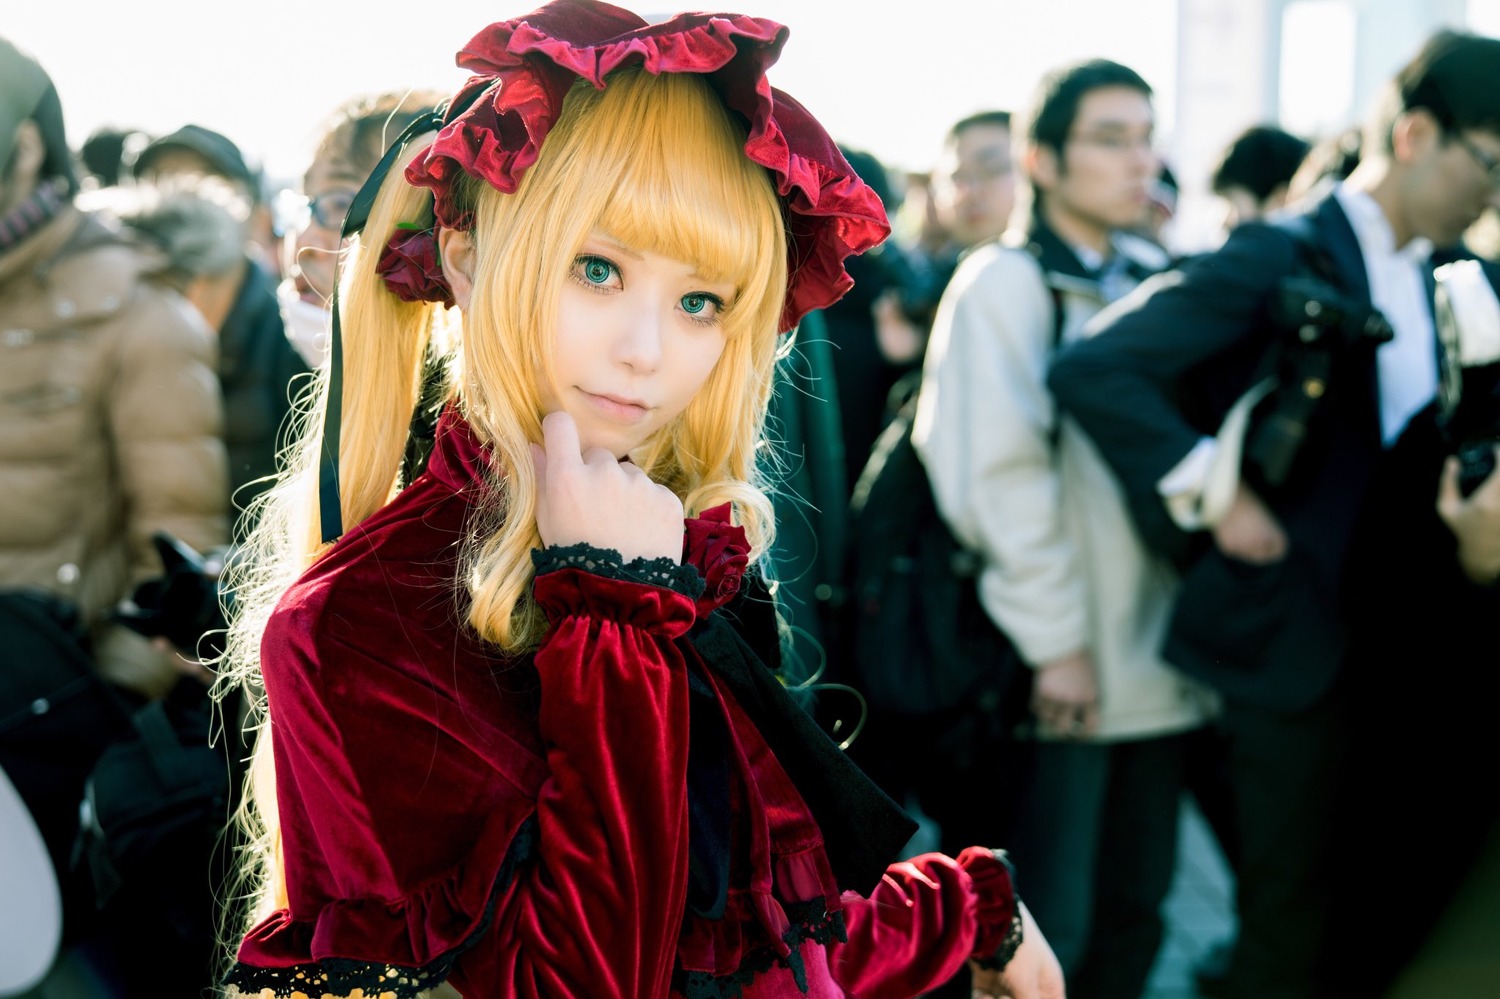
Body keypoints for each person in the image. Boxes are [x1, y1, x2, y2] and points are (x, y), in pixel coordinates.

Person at [218, 4, 1063, 998]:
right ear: (465, 253)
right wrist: (610, 617)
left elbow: (758, 937)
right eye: (597, 269)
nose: (648, 351)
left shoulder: (678, 547)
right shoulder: (358, 625)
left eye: (700, 300)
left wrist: (966, 916)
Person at [1049, 29, 1500, 999]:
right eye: (1491, 162)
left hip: (1401, 650)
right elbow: (1097, 367)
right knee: (1284, 927)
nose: (1495, 192)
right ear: (1417, 133)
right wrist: (1219, 490)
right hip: (1291, 649)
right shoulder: (1278, 251)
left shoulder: (1455, 275)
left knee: (1365, 914)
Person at [913, 58, 1211, 999]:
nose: (1141, 163)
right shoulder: (1005, 283)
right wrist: (1057, 645)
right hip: (1062, 668)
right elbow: (996, 483)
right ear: (1042, 159)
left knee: (1140, 912)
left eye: (1147, 139)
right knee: (1052, 932)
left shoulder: (1152, 275)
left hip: (1161, 661)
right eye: (1112, 139)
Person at [0, 32, 227, 993]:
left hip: (52, 732)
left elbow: (175, 540)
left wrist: (99, 720)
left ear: (31, 143)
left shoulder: (135, 310)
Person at [278, 88, 450, 368]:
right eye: (301, 204)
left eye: (340, 206)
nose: (302, 243)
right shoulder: (282, 374)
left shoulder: (471, 409)